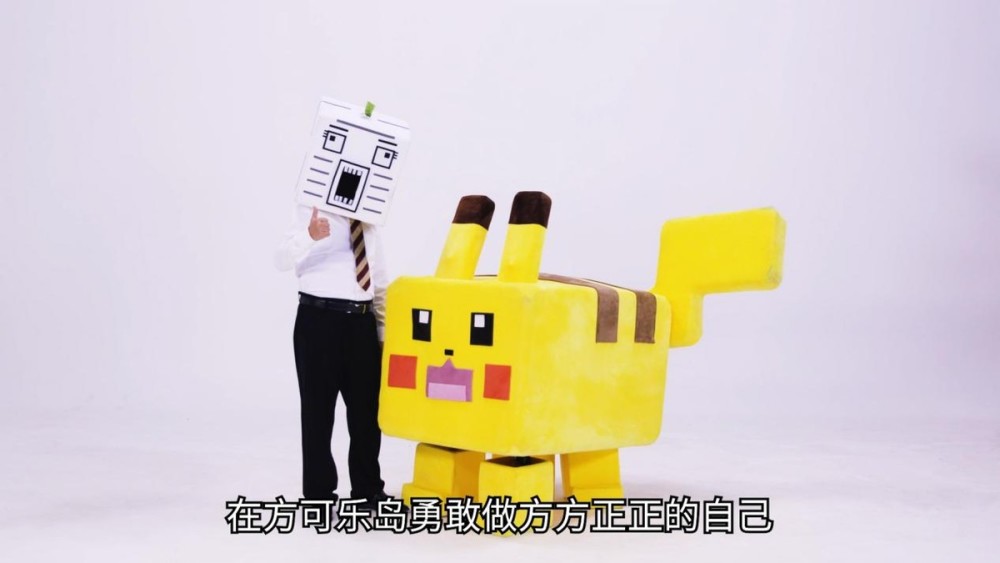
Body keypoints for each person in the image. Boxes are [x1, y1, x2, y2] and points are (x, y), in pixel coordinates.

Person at [275, 204, 392, 510]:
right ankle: (318, 495)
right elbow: (281, 259)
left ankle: (368, 490)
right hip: (318, 319)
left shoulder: (368, 221)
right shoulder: (310, 209)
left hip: (362, 323)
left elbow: (379, 281)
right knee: (317, 411)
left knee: (367, 412)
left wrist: (382, 335)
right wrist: (310, 235)